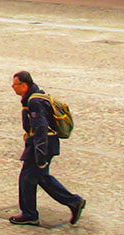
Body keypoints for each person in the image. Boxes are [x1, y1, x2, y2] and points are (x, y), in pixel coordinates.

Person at [9, 71, 84, 226]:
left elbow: (41, 128)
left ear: (24, 85)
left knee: (27, 178)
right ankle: (73, 202)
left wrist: (40, 154)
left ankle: (30, 214)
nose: (12, 87)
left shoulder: (35, 102)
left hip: (41, 145)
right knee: (41, 178)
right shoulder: (32, 97)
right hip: (41, 144)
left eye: (15, 84)